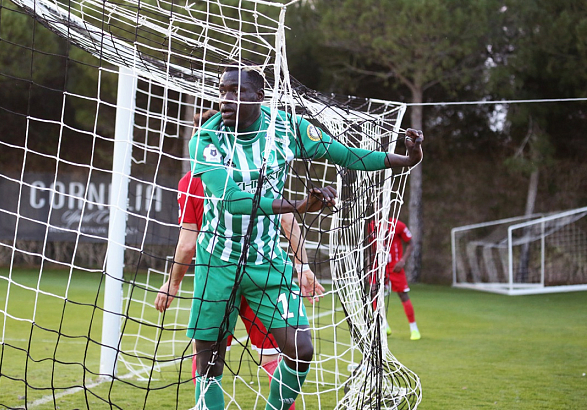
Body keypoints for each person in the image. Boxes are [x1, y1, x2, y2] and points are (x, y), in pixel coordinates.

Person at [187, 62, 423, 410]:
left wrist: (404, 159)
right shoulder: (205, 139)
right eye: (223, 91)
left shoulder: (287, 127)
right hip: (218, 262)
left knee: (301, 350)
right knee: (210, 364)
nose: (226, 99)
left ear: (259, 96)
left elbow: (346, 155)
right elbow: (233, 201)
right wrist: (300, 205)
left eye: (237, 91)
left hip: (268, 261)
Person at [155, 110, 322, 410]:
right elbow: (288, 221)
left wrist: (172, 283)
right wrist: (302, 266)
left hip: (219, 276)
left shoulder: (191, 181)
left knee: (207, 358)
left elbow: (187, 243)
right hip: (262, 274)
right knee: (276, 355)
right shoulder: (257, 168)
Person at [381, 218, 420, 341]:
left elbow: (411, 243)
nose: (378, 209)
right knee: (374, 294)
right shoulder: (371, 225)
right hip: (379, 267)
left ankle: (414, 329)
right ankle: (384, 326)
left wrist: (402, 260)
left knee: (403, 295)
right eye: (376, 208)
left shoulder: (398, 225)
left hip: (395, 266)